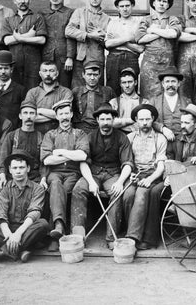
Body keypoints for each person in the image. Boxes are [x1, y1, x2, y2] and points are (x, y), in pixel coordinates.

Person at [71, 104, 133, 248]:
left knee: (117, 192)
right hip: (93, 173)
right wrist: (91, 182)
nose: (105, 123)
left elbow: (128, 163)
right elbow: (83, 162)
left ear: (113, 120)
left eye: (108, 119)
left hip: (113, 174)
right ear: (98, 120)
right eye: (102, 119)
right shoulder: (90, 137)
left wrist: (120, 182)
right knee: (78, 189)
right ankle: (78, 236)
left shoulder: (122, 138)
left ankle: (111, 237)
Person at [0, 151, 50, 266]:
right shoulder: (4, 188)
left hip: (27, 229)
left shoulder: (37, 189)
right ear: (10, 170)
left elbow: (34, 213)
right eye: (15, 168)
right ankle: (20, 250)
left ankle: (3, 252)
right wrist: (10, 235)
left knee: (43, 224)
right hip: (6, 229)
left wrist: (18, 234)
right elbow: (0, 214)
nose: (18, 171)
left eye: (22, 167)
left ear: (28, 168)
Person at [40, 100, 89, 241]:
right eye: (61, 114)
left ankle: (56, 232)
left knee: (60, 190)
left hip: (73, 173)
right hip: (54, 173)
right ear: (56, 117)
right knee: (55, 184)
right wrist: (72, 154)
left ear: (72, 114)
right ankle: (59, 225)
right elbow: (47, 160)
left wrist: (59, 152)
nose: (64, 117)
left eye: (67, 113)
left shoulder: (80, 134)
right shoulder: (50, 135)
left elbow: (83, 155)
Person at [123, 104, 168, 250]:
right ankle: (133, 230)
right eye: (141, 119)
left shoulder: (160, 138)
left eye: (147, 119)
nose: (144, 122)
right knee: (128, 195)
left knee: (141, 194)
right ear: (136, 120)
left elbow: (161, 166)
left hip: (152, 175)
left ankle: (133, 238)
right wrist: (130, 174)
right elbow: (126, 161)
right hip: (134, 174)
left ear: (152, 119)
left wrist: (149, 180)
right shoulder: (129, 138)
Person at [136, 0, 182, 99]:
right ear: (153, 3)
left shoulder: (173, 19)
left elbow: (173, 34)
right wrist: (163, 32)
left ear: (168, 5)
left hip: (168, 64)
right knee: (147, 95)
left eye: (164, 2)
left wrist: (152, 30)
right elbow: (140, 38)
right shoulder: (146, 20)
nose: (161, 4)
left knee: (167, 94)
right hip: (149, 64)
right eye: (159, 1)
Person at [1, 0, 48, 91]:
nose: (23, 1)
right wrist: (29, 35)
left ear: (30, 0)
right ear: (14, 1)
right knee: (15, 90)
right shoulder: (9, 20)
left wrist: (19, 38)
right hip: (14, 61)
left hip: (33, 62)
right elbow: (6, 41)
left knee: (33, 90)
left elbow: (41, 40)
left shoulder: (37, 17)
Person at [66, 0, 111, 89]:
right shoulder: (79, 13)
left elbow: (109, 42)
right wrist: (89, 35)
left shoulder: (107, 19)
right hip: (81, 58)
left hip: (97, 59)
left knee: (97, 89)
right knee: (78, 89)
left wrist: (101, 35)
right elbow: (68, 31)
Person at [0, 101, 45, 189]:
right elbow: (3, 159)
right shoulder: (11, 136)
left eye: (32, 113)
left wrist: (43, 179)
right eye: (25, 113)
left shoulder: (41, 137)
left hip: (34, 179)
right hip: (13, 178)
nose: (28, 116)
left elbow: (43, 163)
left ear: (36, 116)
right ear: (20, 116)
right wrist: (2, 178)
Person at [103, 0, 143, 96]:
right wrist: (129, 38)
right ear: (117, 8)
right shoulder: (112, 23)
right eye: (122, 6)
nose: (125, 9)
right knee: (112, 90)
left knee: (131, 89)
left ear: (132, 6)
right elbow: (108, 44)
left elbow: (140, 49)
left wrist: (119, 40)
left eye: (127, 6)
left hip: (131, 58)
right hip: (113, 58)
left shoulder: (138, 24)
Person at [40, 0, 75, 88]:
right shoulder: (42, 13)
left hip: (63, 58)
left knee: (63, 85)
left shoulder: (70, 13)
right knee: (46, 85)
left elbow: (71, 36)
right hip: (46, 56)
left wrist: (70, 57)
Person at [24, 61, 74, 135]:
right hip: (36, 134)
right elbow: (29, 117)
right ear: (40, 74)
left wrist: (39, 110)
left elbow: (65, 116)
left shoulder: (66, 92)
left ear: (57, 73)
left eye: (51, 71)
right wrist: (56, 116)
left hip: (59, 135)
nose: (48, 74)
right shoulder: (32, 92)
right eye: (45, 71)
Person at [0, 50, 26, 128]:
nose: (3, 71)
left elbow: (23, 114)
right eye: (0, 68)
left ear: (11, 69)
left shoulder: (20, 90)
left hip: (12, 133)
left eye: (6, 68)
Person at [72, 61, 116, 134]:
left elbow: (115, 111)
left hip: (101, 129)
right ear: (83, 75)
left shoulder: (107, 91)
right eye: (89, 74)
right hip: (80, 128)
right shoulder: (76, 92)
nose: (92, 78)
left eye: (95, 75)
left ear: (99, 75)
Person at [146, 66, 189, 139]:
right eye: (167, 81)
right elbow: (147, 120)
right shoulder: (154, 101)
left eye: (173, 81)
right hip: (160, 139)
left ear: (179, 84)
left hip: (182, 140)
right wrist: (162, 129)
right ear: (163, 84)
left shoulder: (187, 102)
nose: (170, 85)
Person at [110, 68, 144, 133]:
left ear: (135, 82)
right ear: (120, 84)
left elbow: (144, 124)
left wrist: (120, 122)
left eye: (130, 82)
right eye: (124, 82)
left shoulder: (144, 102)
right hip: (118, 137)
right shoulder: (114, 102)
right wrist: (134, 120)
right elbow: (111, 123)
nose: (127, 85)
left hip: (137, 137)